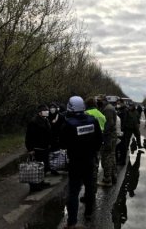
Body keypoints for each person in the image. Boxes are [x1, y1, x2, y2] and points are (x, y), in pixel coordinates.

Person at [60, 96, 103, 228]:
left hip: (75, 162)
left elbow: (63, 143)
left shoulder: (68, 123)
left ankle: (72, 222)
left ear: (71, 107)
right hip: (89, 160)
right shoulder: (93, 120)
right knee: (89, 188)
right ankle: (89, 213)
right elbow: (99, 140)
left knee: (73, 192)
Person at [25, 104, 51, 192]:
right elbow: (29, 137)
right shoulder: (34, 122)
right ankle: (35, 186)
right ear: (40, 112)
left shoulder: (46, 120)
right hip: (37, 148)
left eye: (47, 110)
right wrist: (30, 149)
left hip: (45, 147)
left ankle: (41, 182)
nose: (47, 111)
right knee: (37, 167)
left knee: (45, 166)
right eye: (45, 110)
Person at [97, 95, 118, 187]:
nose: (97, 102)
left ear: (103, 100)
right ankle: (113, 177)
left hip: (108, 137)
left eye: (99, 100)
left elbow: (108, 124)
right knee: (111, 157)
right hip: (110, 136)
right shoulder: (107, 107)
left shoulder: (107, 109)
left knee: (107, 158)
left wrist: (103, 137)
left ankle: (107, 180)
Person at [48, 102, 65, 175]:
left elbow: (64, 126)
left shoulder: (60, 116)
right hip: (50, 138)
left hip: (59, 137)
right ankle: (51, 168)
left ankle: (56, 167)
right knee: (51, 154)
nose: (52, 109)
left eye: (53, 108)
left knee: (57, 153)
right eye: (51, 108)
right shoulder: (48, 116)